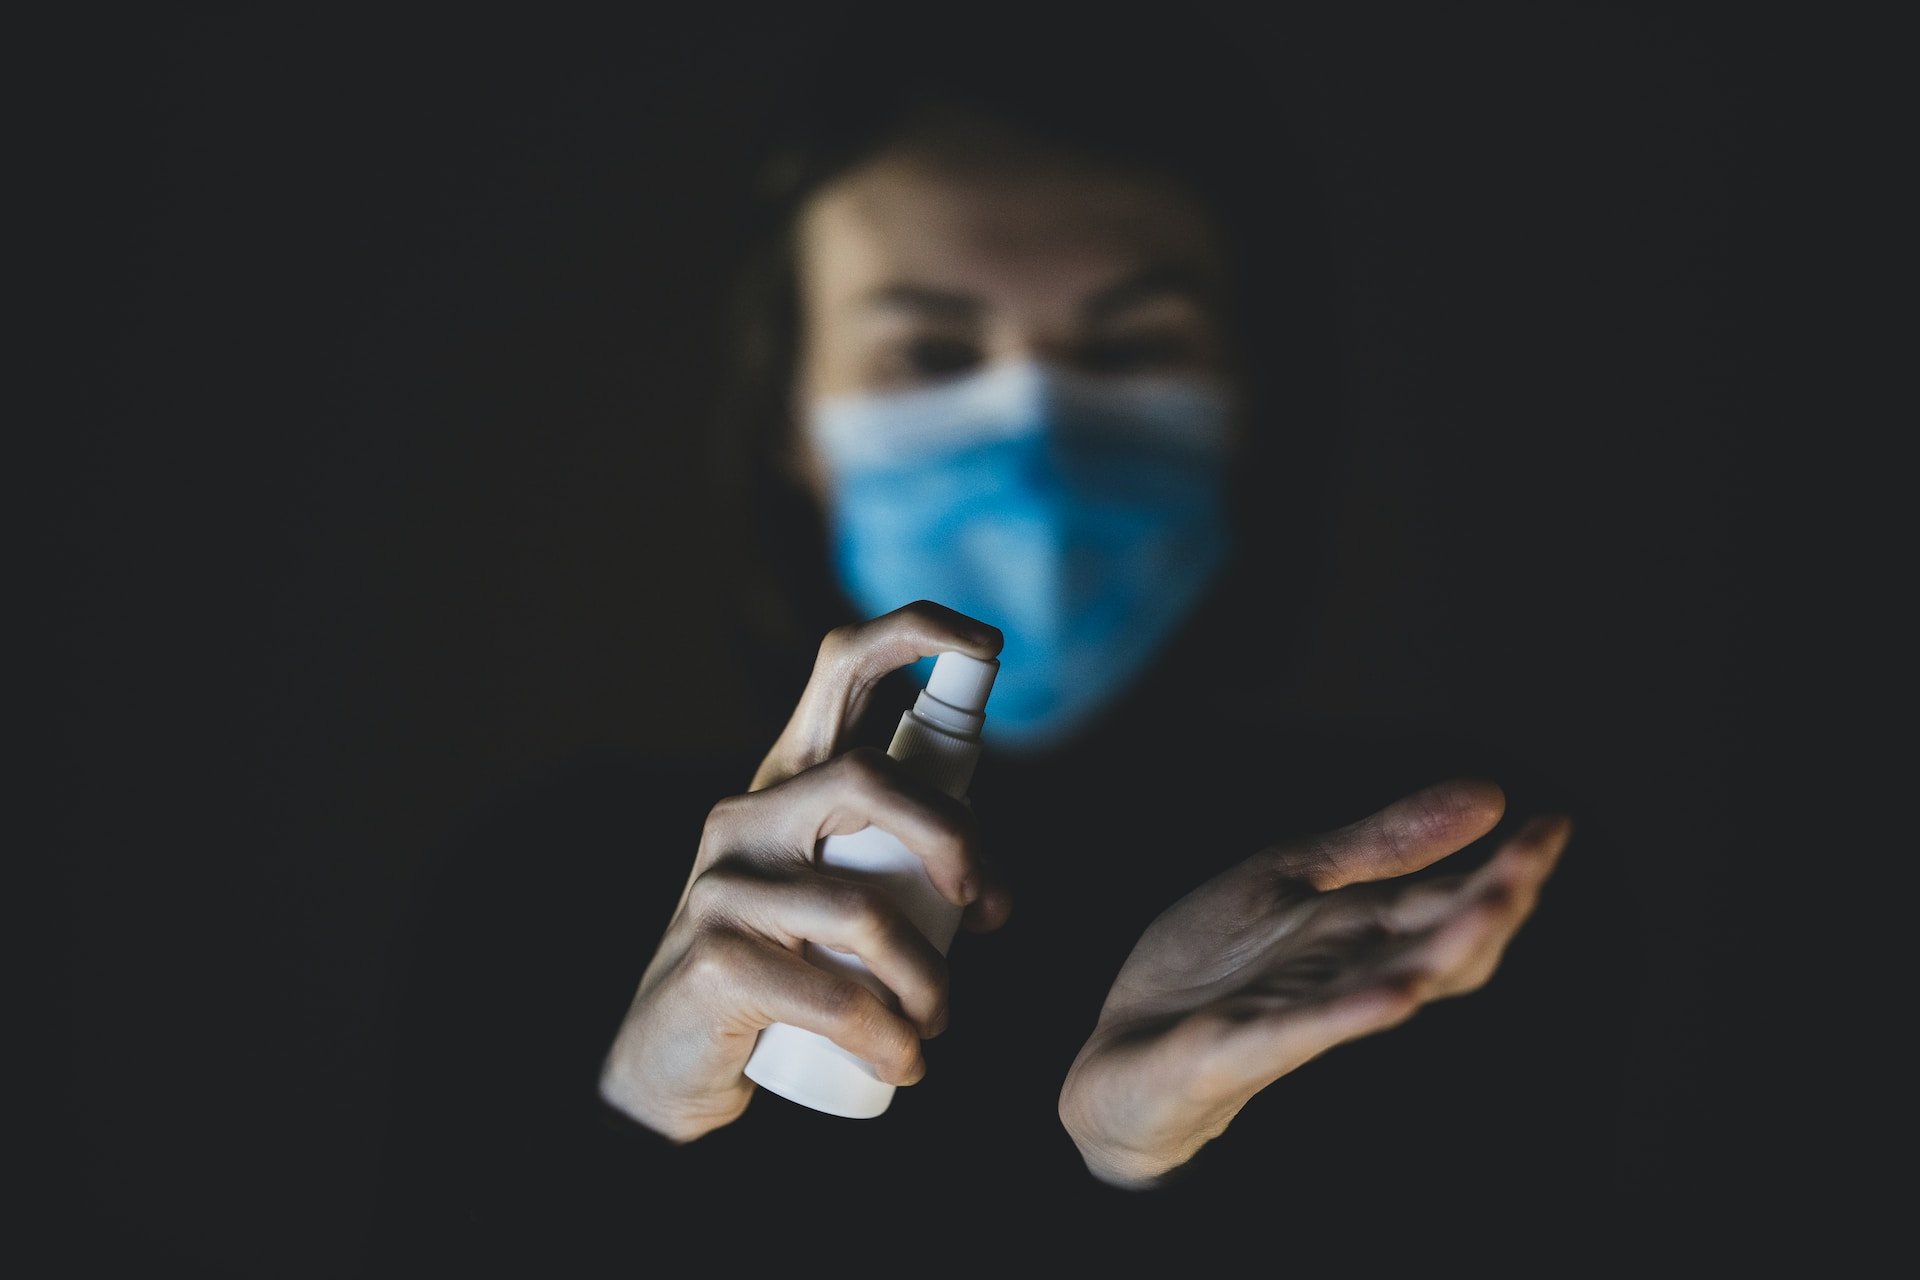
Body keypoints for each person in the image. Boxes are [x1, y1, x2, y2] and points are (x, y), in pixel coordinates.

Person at [369, 16, 1644, 1274]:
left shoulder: (1427, 907)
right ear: (791, 421)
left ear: (1255, 401)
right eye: (927, 349)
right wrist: (645, 1116)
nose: (1034, 437)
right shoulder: (534, 907)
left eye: (1135, 346)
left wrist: (1142, 1159)